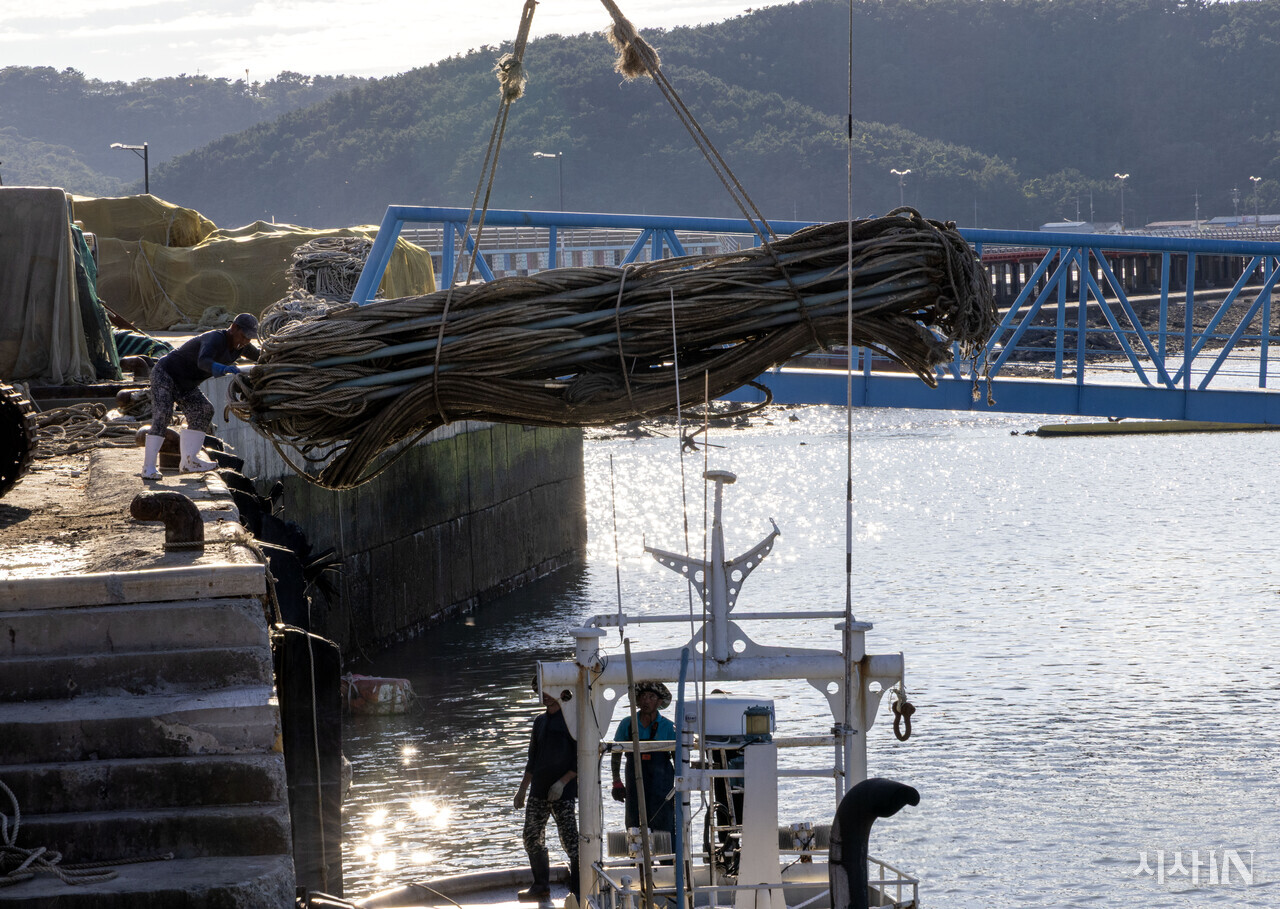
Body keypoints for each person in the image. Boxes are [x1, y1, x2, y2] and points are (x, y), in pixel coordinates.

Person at [140, 312, 260, 480]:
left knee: (204, 410)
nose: (245, 341)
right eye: (244, 336)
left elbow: (261, 357)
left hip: (186, 383)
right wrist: (223, 368)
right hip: (166, 373)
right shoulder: (215, 339)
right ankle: (148, 467)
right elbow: (203, 361)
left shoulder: (243, 346)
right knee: (163, 414)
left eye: (249, 338)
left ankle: (189, 461)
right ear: (234, 328)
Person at [515, 679, 579, 904]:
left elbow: (582, 757)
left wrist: (563, 782)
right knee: (531, 836)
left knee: (570, 838)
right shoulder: (539, 721)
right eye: (541, 692)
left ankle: (579, 886)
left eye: (549, 691)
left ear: (561, 692)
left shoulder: (572, 719)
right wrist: (522, 790)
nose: (545, 695)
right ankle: (541, 885)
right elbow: (532, 759)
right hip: (538, 790)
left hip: (564, 791)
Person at [611, 680, 676, 838]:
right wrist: (616, 781)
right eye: (643, 697)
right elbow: (616, 753)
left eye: (651, 697)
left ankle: (666, 859)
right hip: (634, 782)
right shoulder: (627, 724)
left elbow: (678, 758)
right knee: (634, 822)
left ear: (659, 702)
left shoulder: (668, 727)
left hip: (662, 784)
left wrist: (681, 784)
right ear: (637, 701)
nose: (646, 700)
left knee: (664, 825)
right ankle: (636, 860)